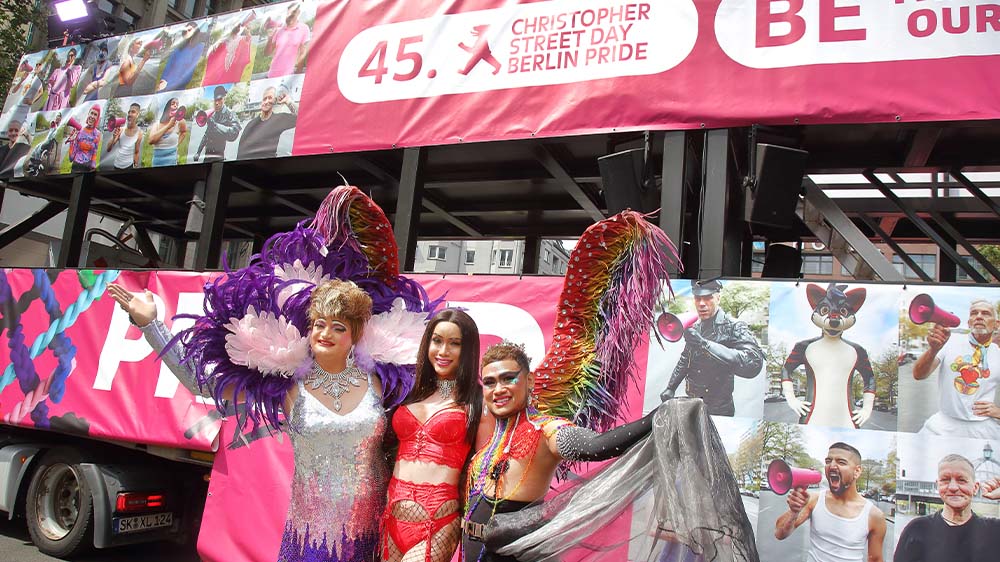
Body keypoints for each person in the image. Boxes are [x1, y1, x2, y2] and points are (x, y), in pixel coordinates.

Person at [110, 280, 389, 562]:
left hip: (372, 530)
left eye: (338, 327)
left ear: (354, 335)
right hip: (314, 535)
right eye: (319, 324)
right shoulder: (286, 382)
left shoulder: (378, 382)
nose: (325, 333)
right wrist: (150, 325)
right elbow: (200, 382)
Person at [382, 309, 483, 562]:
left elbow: (485, 465)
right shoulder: (410, 391)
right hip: (391, 517)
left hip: (437, 521)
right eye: (437, 341)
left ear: (468, 350)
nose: (443, 351)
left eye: (454, 344)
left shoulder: (478, 402)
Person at [659, 280, 764, 416]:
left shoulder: (734, 327)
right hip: (693, 403)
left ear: (718, 298)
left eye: (708, 298)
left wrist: (704, 344)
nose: (702, 304)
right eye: (698, 298)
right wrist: (671, 387)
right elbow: (685, 359)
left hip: (719, 408)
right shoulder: (696, 327)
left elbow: (753, 362)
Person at [774, 442, 886, 562]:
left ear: (857, 471)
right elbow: (779, 534)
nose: (832, 466)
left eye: (841, 462)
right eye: (828, 461)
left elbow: (875, 559)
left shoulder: (874, 516)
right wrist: (794, 512)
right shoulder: (814, 500)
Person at [912, 299, 1000, 439]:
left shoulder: (997, 353)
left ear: (996, 324)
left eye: (985, 313)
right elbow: (918, 374)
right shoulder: (950, 341)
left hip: (984, 429)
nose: (978, 316)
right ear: (969, 322)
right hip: (943, 426)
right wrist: (933, 350)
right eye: (974, 313)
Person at [894, 454, 1000, 562]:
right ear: (937, 485)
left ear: (975, 487)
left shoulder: (994, 531)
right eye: (945, 480)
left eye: (961, 480)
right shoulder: (916, 529)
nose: (953, 487)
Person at [236, 85, 297, 160]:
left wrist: (288, 102)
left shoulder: (279, 119)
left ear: (275, 101)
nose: (266, 101)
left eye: (270, 98)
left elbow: (301, 118)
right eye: (264, 99)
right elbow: (241, 152)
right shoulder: (251, 124)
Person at [194, 85, 241, 161]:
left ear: (224, 99)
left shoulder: (230, 114)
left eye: (219, 100)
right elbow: (206, 135)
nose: (216, 103)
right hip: (207, 155)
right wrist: (198, 152)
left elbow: (234, 133)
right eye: (215, 100)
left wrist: (216, 126)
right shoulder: (212, 115)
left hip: (218, 156)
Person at [157, 22, 207, 92]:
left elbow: (190, 71)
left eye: (189, 30)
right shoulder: (179, 48)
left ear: (196, 32)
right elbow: (169, 65)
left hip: (178, 87)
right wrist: (163, 80)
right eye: (185, 30)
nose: (186, 32)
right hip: (165, 84)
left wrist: (169, 84)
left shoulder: (199, 47)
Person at [266, 3, 311, 78]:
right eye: (289, 12)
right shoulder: (279, 30)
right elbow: (268, 52)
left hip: (289, 76)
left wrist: (297, 75)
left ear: (298, 12)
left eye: (293, 12)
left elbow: (303, 53)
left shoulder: (304, 28)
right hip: (272, 74)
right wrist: (270, 39)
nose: (290, 14)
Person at [202, 21, 252, 86]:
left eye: (239, 26)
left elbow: (248, 39)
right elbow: (211, 56)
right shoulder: (221, 41)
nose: (238, 27)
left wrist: (248, 30)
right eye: (236, 25)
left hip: (231, 73)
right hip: (218, 73)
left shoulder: (240, 39)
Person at [148, 97, 187, 167]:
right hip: (157, 163)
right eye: (173, 104)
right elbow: (151, 140)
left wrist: (176, 144)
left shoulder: (180, 122)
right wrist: (168, 126)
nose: (176, 105)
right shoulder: (156, 124)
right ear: (166, 108)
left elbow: (184, 132)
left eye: (177, 105)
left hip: (172, 162)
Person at [105, 103, 142, 170]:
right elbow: (108, 149)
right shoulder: (121, 130)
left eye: (133, 112)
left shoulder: (139, 133)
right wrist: (113, 137)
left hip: (129, 166)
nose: (130, 114)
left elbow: (136, 152)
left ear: (137, 115)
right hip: (116, 166)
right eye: (129, 112)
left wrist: (136, 165)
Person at [67, 105, 102, 173]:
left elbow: (94, 152)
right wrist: (72, 142)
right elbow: (71, 158)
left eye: (95, 115)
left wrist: (93, 165)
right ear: (88, 114)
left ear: (97, 118)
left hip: (87, 167)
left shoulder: (98, 134)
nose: (92, 116)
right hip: (76, 166)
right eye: (91, 113)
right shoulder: (79, 131)